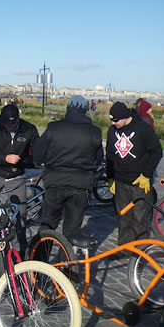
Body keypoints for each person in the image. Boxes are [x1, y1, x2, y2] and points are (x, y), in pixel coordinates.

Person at [33, 95, 103, 241]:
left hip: (55, 182)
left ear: (68, 108)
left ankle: (40, 260)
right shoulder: (95, 132)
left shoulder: (54, 128)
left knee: (47, 226)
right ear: (85, 110)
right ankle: (66, 261)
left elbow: (38, 154)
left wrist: (45, 163)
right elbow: (98, 160)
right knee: (72, 231)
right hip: (81, 185)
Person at [0, 103, 39, 259]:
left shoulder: (29, 130)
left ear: (18, 120)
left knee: (21, 213)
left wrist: (23, 161)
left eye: (11, 124)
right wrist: (4, 158)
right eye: (6, 124)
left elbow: (37, 155)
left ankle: (21, 249)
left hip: (17, 176)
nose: (8, 127)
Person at [106, 101, 162, 247]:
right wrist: (110, 177)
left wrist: (146, 174)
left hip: (138, 181)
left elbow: (156, 152)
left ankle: (139, 252)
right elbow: (110, 156)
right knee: (123, 217)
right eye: (111, 120)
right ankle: (124, 248)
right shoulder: (112, 131)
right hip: (120, 181)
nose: (113, 123)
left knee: (139, 219)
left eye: (116, 120)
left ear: (125, 117)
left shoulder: (143, 129)